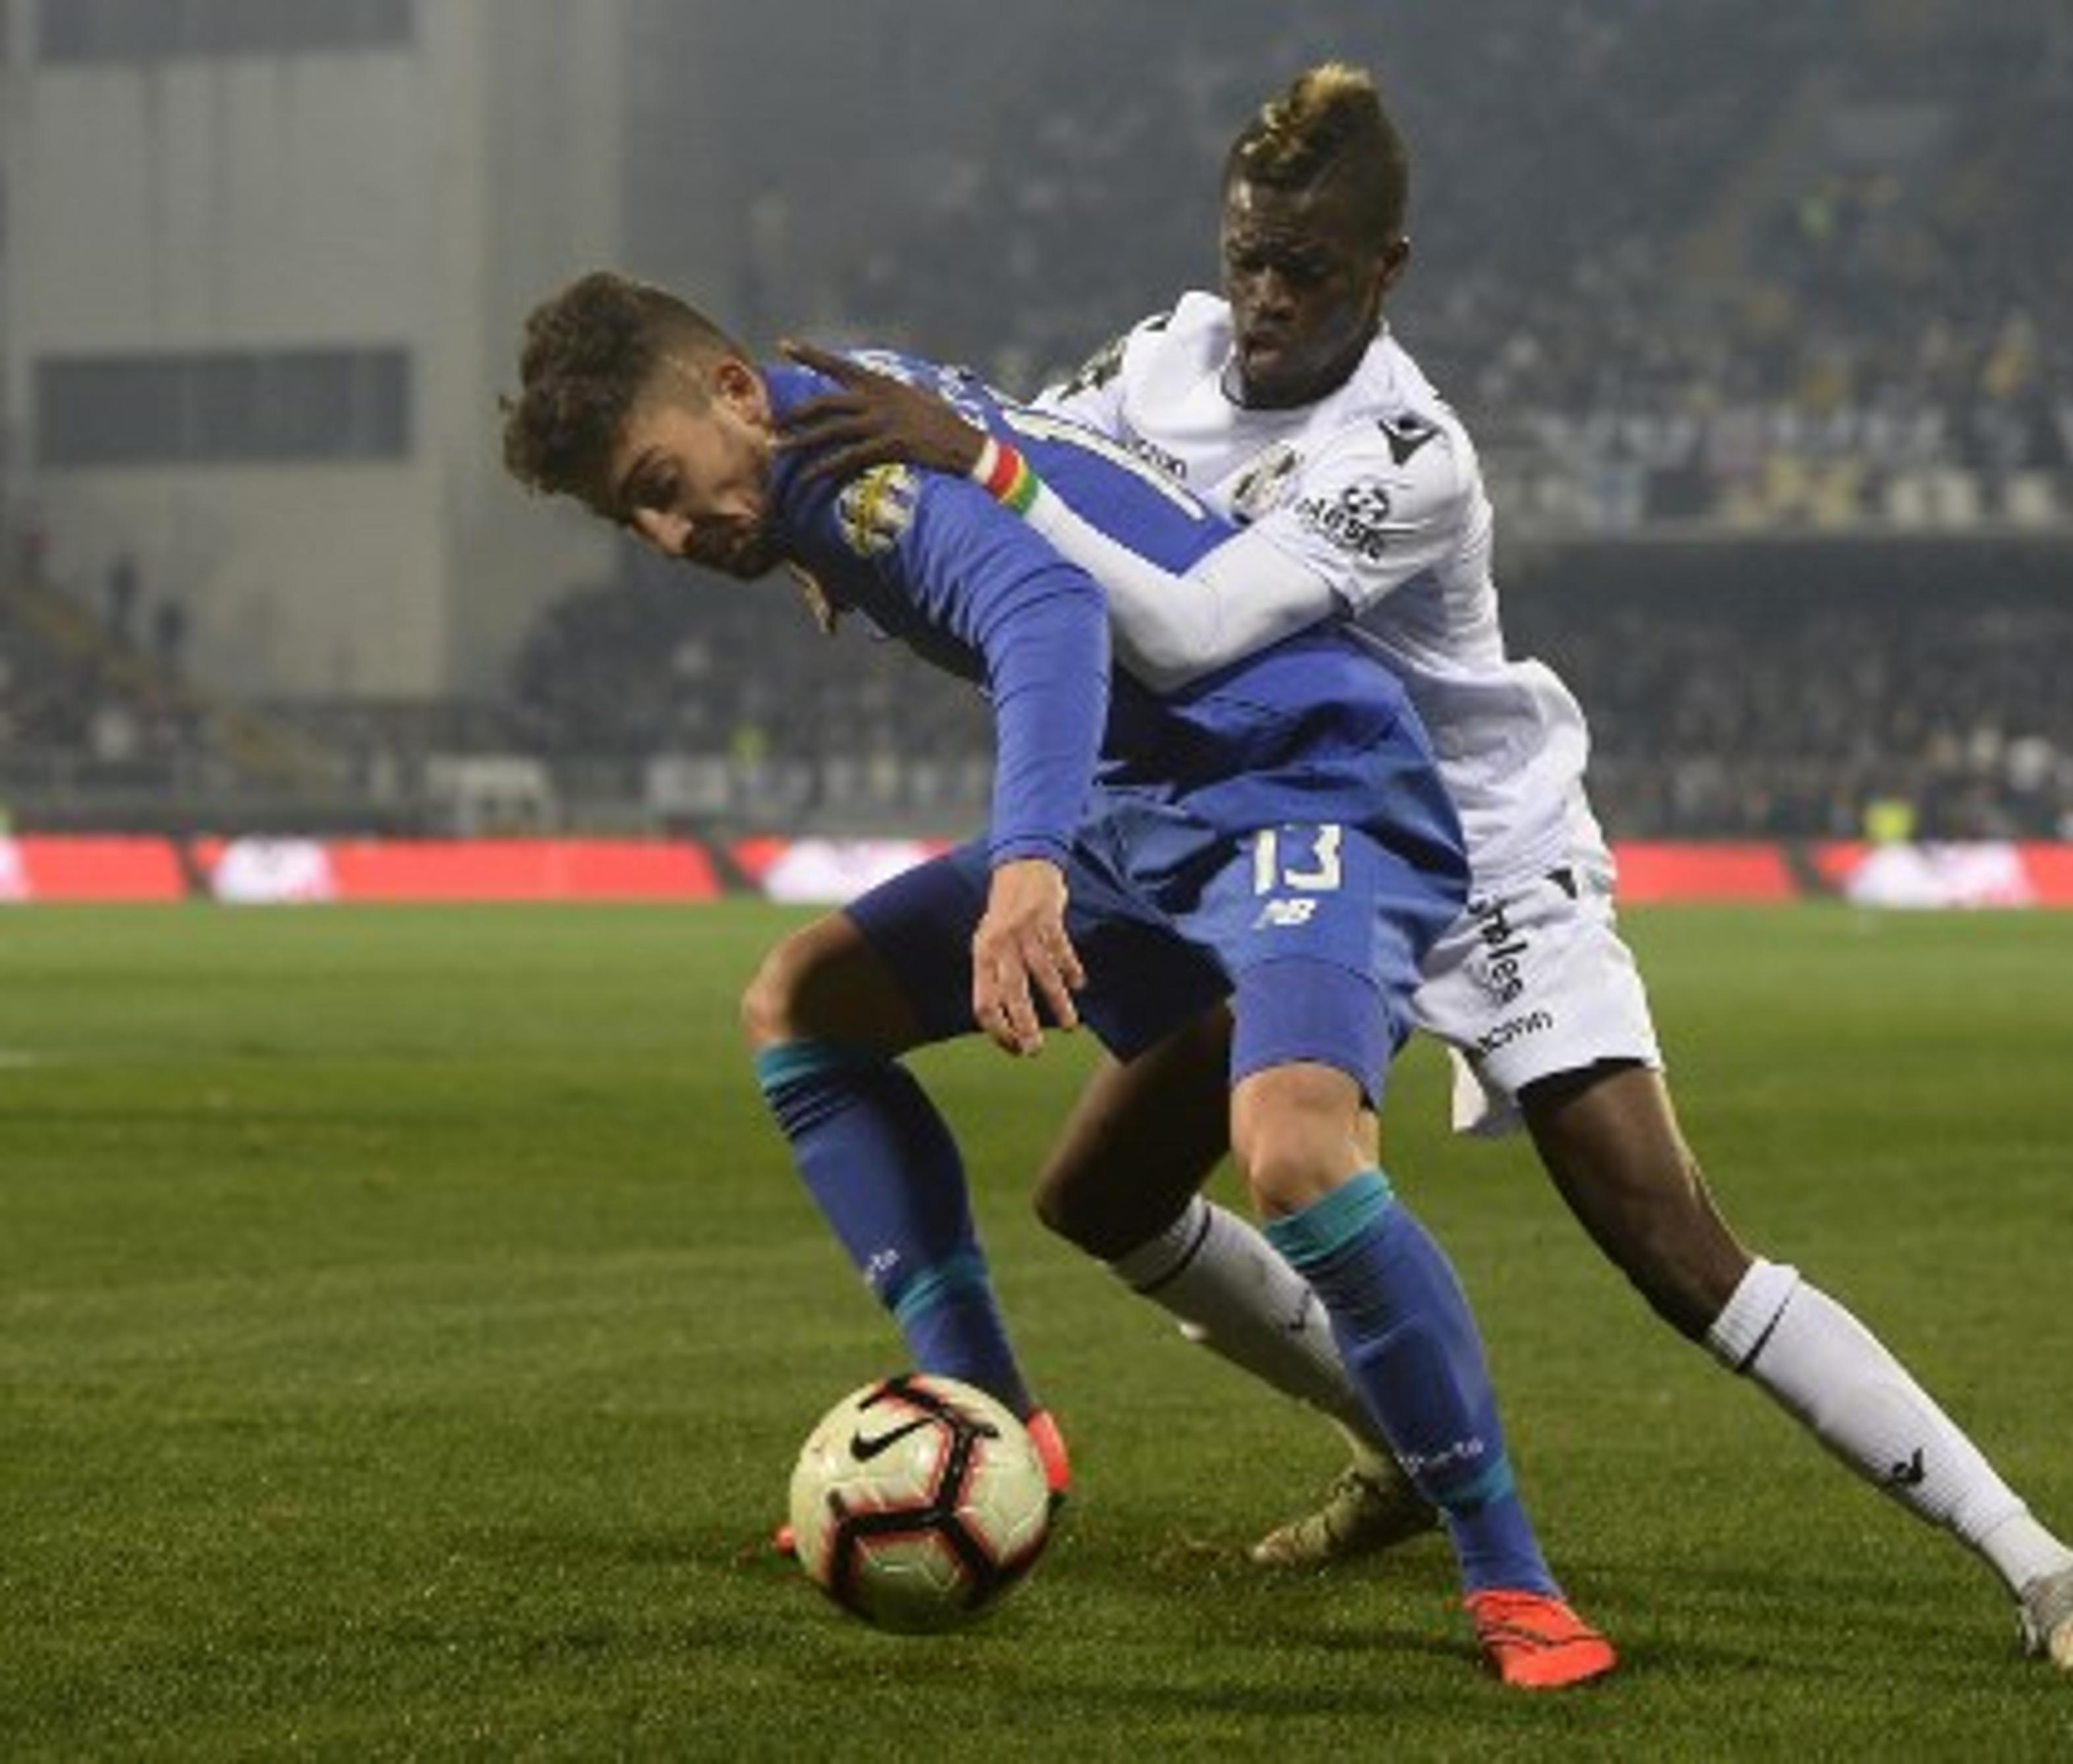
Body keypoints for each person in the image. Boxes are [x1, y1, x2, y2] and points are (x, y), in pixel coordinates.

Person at [775, 64, 2073, 1673]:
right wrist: (866, 543)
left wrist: (984, 472)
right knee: (1101, 1190)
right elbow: (1028, 481)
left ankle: (2041, 1560)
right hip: (1265, 844)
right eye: (1249, 260)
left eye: (1307, 269)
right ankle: (1397, 1443)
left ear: (1388, 270)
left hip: (1472, 855)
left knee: (1673, 1248)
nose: (1268, 300)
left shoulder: (1408, 448)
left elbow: (1190, 616)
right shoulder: (1163, 359)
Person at [497, 270, 1616, 1690]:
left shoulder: (854, 487)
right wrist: (792, 537)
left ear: (733, 393)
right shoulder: (818, 421)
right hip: (1148, 797)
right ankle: (993, 1425)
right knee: (806, 1007)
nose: (667, 532)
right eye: (631, 516)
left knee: (1296, 1154)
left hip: (1298, 780)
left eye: (664, 483)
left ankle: (1511, 1575)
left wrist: (1026, 861)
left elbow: (1046, 608)